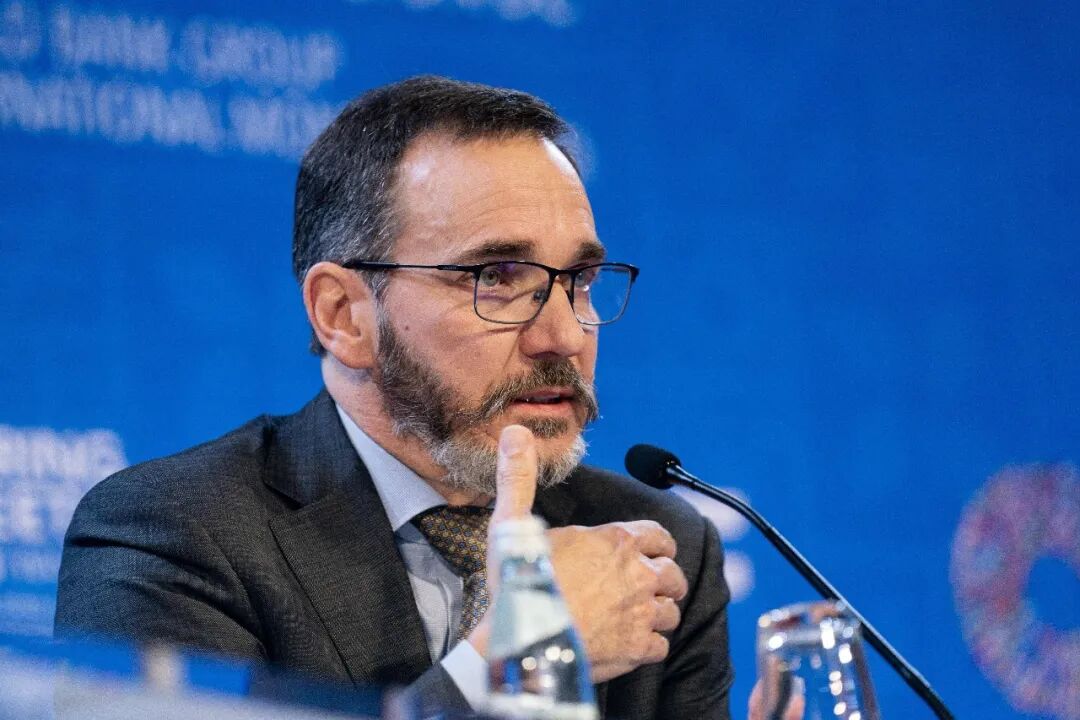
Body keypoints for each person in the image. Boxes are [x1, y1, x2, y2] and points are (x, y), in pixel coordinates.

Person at [55, 76, 734, 719]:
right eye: (497, 277)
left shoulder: (655, 547)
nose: (564, 335)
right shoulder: (177, 534)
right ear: (344, 315)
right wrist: (512, 662)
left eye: (579, 279)